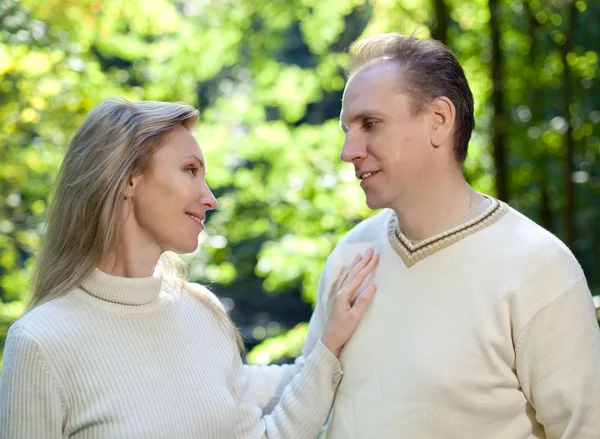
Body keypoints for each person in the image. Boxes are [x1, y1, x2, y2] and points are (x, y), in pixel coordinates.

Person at [252, 33, 600, 438]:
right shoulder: (352, 254)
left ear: (438, 120)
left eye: (370, 124)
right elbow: (304, 393)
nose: (348, 150)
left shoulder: (538, 267)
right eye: (347, 129)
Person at [0, 98, 379, 438]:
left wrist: (329, 345)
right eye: (190, 170)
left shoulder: (203, 314)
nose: (210, 198)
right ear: (130, 178)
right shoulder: (40, 342)